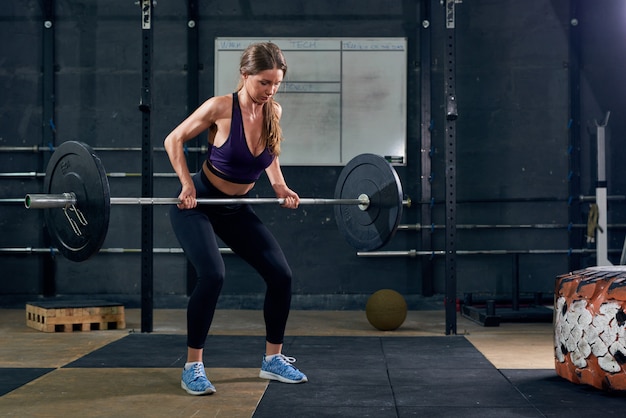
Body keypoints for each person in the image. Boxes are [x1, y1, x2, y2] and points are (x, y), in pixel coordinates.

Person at [164, 42, 307, 396]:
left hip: (236, 209)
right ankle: (192, 367)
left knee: (281, 275)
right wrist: (185, 184)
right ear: (244, 76)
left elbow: (270, 153)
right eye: (263, 82)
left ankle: (273, 361)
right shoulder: (220, 107)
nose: (270, 90)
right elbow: (174, 139)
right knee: (212, 275)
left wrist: (280, 186)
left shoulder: (273, 110)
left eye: (276, 83)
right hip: (198, 204)